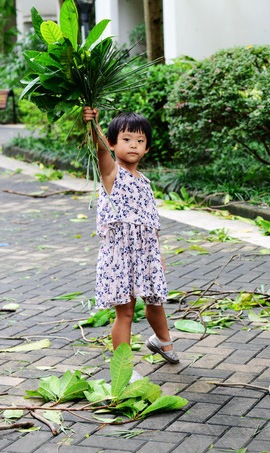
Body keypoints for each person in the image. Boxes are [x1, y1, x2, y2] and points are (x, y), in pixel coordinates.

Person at [82, 107, 179, 382]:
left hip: (146, 253)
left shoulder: (145, 182)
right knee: (125, 312)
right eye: (126, 139)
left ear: (147, 147)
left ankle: (163, 341)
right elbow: (100, 151)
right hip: (120, 255)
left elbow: (151, 223)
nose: (133, 145)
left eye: (139, 140)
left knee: (155, 299)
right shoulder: (112, 174)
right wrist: (93, 125)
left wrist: (157, 255)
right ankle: (123, 369)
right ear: (113, 143)